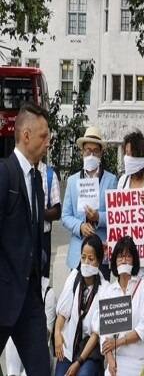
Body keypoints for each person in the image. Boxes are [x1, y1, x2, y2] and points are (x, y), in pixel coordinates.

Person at [0, 104, 52, 375]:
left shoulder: (38, 179)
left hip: (30, 300)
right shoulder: (4, 173)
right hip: (3, 295)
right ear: (26, 135)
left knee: (42, 369)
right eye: (44, 137)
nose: (48, 144)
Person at [62, 126, 119, 278]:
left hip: (101, 252)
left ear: (101, 153)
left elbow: (116, 216)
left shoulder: (111, 180)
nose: (91, 154)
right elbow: (65, 216)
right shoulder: (73, 181)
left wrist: (98, 218)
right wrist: (80, 226)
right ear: (82, 151)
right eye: (88, 150)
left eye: (95, 151)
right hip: (78, 254)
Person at [95, 236, 144, 376]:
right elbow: (104, 332)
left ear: (134, 260)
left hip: (138, 359)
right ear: (114, 261)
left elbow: (143, 327)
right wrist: (110, 359)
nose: (124, 260)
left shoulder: (143, 286)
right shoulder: (108, 291)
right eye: (120, 256)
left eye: (128, 256)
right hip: (116, 361)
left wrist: (118, 342)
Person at [117, 130, 144, 299]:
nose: (126, 158)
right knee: (125, 293)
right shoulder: (122, 181)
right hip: (125, 250)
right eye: (125, 153)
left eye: (130, 154)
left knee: (142, 296)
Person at [54, 234, 106, 376]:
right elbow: (62, 313)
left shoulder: (105, 289)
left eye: (91, 259)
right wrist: (57, 333)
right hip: (69, 346)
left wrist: (79, 362)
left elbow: (96, 334)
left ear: (99, 261)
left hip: (89, 351)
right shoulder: (74, 278)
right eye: (83, 257)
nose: (86, 263)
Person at [4, 271, 56, 376]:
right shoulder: (16, 291)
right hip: (20, 342)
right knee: (11, 339)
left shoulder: (48, 293)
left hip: (43, 345)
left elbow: (47, 333)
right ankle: (12, 373)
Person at [40, 157, 61, 279]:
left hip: (43, 238)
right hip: (23, 237)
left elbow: (57, 212)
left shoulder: (49, 175)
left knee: (42, 282)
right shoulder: (18, 171)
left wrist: (38, 212)